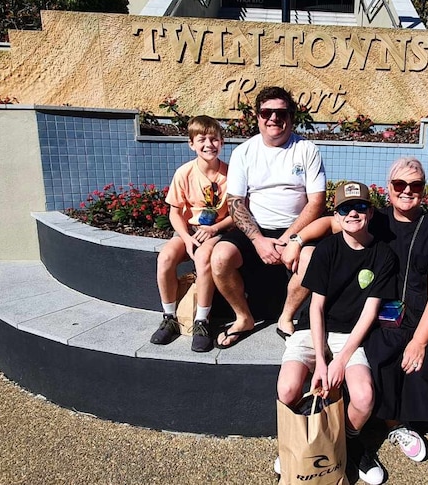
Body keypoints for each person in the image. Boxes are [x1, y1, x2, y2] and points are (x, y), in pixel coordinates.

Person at [281, 157, 428, 475]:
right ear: (389, 188)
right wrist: (296, 241)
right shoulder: (373, 219)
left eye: (415, 185)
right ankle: (396, 425)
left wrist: (420, 341)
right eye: (399, 184)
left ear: (423, 190)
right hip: (388, 314)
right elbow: (330, 222)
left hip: (426, 316)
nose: (407, 191)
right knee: (380, 356)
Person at [275, 182, 393, 485]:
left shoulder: (383, 255)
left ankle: (348, 442)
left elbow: (370, 312)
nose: (353, 213)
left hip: (351, 336)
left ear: (370, 211)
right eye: (344, 208)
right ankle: (296, 441)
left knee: (364, 397)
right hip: (313, 330)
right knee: (287, 389)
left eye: (360, 207)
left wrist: (340, 360)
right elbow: (315, 309)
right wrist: (323, 363)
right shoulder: (326, 249)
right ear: (336, 216)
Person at [210, 86, 326, 348]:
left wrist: (289, 239)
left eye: (281, 112)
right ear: (258, 117)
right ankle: (243, 317)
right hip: (256, 228)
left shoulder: (307, 150)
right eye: (266, 112)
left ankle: (286, 317)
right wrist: (259, 241)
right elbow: (235, 203)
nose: (274, 118)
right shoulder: (244, 152)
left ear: (291, 117)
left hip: (297, 229)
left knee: (311, 257)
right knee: (219, 257)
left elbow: (316, 202)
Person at [150, 115, 234, 353]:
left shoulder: (231, 174)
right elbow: (175, 212)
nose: (209, 144)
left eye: (214, 139)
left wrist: (214, 229)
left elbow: (237, 214)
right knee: (165, 258)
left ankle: (201, 321)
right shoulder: (184, 173)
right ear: (192, 144)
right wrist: (186, 238)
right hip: (190, 231)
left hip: (217, 230)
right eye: (202, 140)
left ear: (222, 142)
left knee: (203, 258)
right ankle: (169, 317)